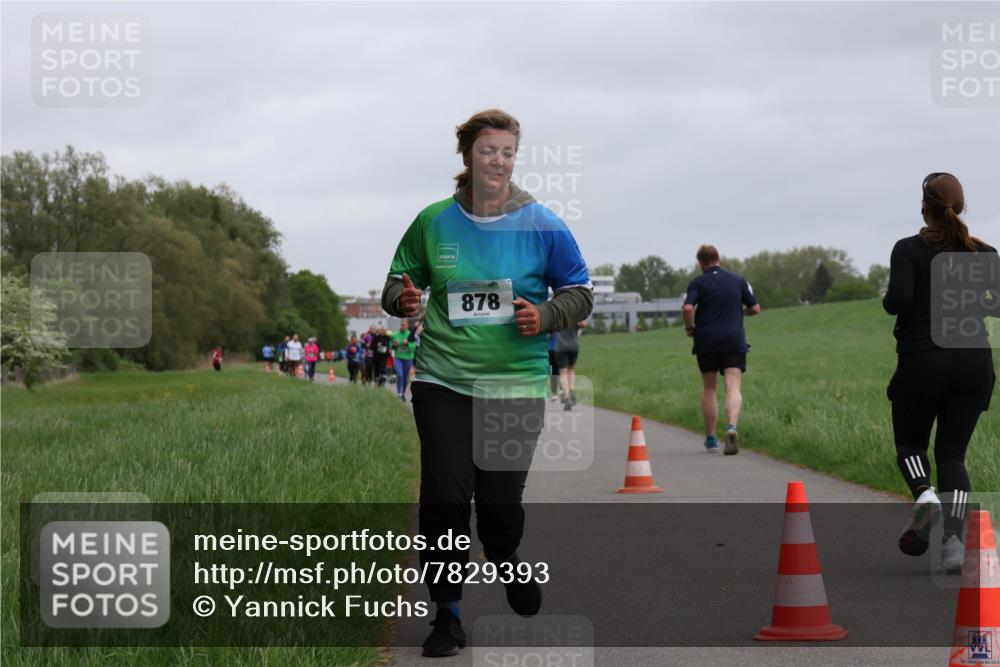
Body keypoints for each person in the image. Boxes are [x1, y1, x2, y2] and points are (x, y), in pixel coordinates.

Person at [381, 109, 593, 658]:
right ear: (467, 156)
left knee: (499, 507)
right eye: (487, 151)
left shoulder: (543, 223)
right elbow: (396, 284)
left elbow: (580, 292)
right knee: (446, 498)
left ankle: (505, 557)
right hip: (442, 381)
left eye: (506, 152)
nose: (497, 161)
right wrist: (401, 300)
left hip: (514, 385)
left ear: (514, 158)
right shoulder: (432, 221)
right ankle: (446, 614)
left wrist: (543, 316)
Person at [885, 173, 997, 573]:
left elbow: (897, 301)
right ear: (961, 206)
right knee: (953, 454)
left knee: (911, 446)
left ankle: (924, 496)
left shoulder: (908, 249)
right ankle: (952, 545)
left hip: (923, 360)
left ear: (924, 207)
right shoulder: (985, 253)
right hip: (975, 364)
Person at [682, 244, 761, 455]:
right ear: (719, 259)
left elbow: (688, 307)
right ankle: (732, 427)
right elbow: (755, 308)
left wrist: (690, 327)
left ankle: (711, 438)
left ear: (700, 263)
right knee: (732, 384)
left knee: (710, 388)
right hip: (733, 340)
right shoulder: (738, 280)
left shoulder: (698, 282)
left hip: (706, 341)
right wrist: (739, 313)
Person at [554, 321, 587, 411]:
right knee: (571, 369)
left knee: (563, 373)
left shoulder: (557, 316)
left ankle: (567, 396)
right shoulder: (574, 315)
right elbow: (584, 324)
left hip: (561, 347)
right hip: (574, 346)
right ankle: (572, 389)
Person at [391, 319, 418, 400]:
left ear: (407, 325)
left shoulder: (411, 335)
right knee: (399, 375)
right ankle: (399, 394)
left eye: (404, 325)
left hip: (408, 359)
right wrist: (394, 345)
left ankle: (402, 393)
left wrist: (408, 344)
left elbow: (414, 348)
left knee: (405, 377)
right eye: (402, 324)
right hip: (398, 358)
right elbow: (391, 346)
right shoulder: (395, 334)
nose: (403, 326)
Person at [547, 332, 559, 401]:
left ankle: (554, 394)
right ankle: (562, 392)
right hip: (560, 349)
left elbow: (547, 336)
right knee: (562, 371)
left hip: (551, 349)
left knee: (553, 372)